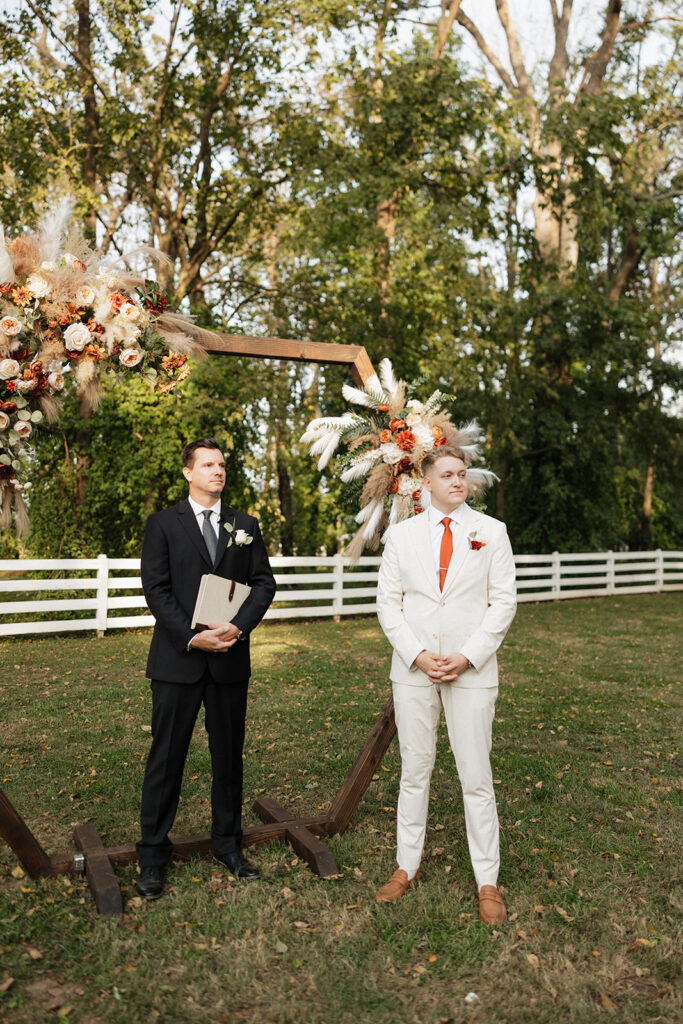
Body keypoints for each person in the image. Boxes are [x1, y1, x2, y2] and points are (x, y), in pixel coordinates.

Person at [374, 445, 517, 924]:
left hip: (471, 671)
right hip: (413, 670)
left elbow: (503, 604)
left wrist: (466, 656)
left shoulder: (491, 532)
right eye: (448, 475)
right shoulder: (402, 536)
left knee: (475, 775)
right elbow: (388, 605)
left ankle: (488, 880)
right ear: (427, 482)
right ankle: (405, 866)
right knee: (416, 770)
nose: (458, 481)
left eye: (463, 474)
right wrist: (416, 655)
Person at [135, 437, 276, 899]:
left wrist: (236, 628)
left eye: (222, 465)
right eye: (209, 464)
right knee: (166, 759)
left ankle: (228, 845)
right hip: (178, 661)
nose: (219, 471)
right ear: (188, 473)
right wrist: (194, 636)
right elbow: (156, 590)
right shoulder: (162, 524)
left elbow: (263, 583)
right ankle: (153, 856)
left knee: (228, 759)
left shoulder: (245, 525)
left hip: (230, 662)